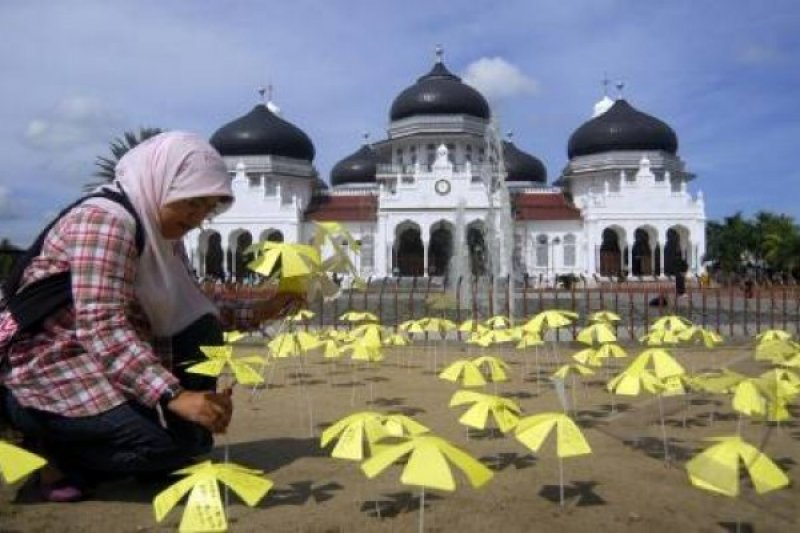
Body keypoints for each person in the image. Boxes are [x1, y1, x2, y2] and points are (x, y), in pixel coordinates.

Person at [0, 132, 295, 502]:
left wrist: (264, 308)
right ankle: (45, 449)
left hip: (103, 362)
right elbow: (101, 326)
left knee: (194, 431)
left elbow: (193, 306)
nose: (198, 218)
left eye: (208, 207)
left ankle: (129, 447)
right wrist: (176, 396)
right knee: (169, 449)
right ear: (161, 181)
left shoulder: (163, 235)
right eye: (191, 202)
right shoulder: (106, 222)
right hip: (49, 367)